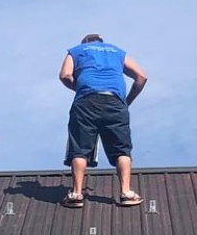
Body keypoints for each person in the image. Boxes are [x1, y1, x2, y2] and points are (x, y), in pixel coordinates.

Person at [59, 34, 148, 208]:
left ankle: (76, 194)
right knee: (121, 149)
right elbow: (141, 77)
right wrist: (127, 101)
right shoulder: (117, 51)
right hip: (115, 103)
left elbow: (65, 75)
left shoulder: (76, 51)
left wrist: (80, 87)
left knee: (80, 149)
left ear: (85, 43)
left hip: (86, 102)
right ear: (101, 42)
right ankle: (126, 192)